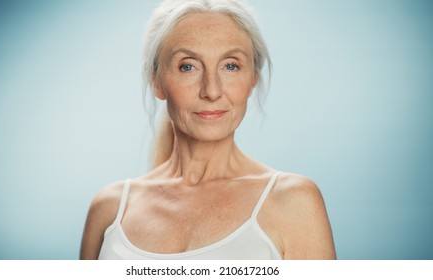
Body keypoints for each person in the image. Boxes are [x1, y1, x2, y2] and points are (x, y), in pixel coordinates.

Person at [80, 0, 336, 260]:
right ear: (156, 80)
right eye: (188, 66)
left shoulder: (293, 201)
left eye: (231, 65)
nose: (211, 90)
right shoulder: (110, 210)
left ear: (253, 80)